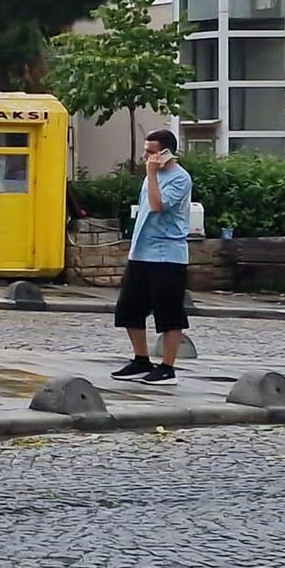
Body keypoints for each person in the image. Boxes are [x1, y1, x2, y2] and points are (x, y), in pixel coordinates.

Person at [110, 128, 194, 386]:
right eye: (145, 150)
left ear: (166, 153)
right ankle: (140, 359)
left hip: (167, 254)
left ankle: (167, 367)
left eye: (151, 152)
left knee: (168, 312)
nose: (145, 156)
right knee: (129, 308)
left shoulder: (180, 179)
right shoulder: (151, 176)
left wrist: (152, 173)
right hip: (142, 251)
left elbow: (158, 206)